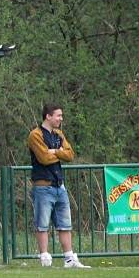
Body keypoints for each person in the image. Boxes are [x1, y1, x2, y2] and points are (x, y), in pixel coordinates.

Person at [27, 104, 89, 268]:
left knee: (65, 224)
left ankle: (69, 259)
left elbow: (70, 155)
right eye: (58, 116)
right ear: (48, 116)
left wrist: (54, 151)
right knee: (42, 224)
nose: (61, 119)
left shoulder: (59, 134)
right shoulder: (35, 135)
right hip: (43, 186)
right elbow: (43, 158)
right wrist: (57, 152)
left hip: (59, 185)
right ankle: (45, 259)